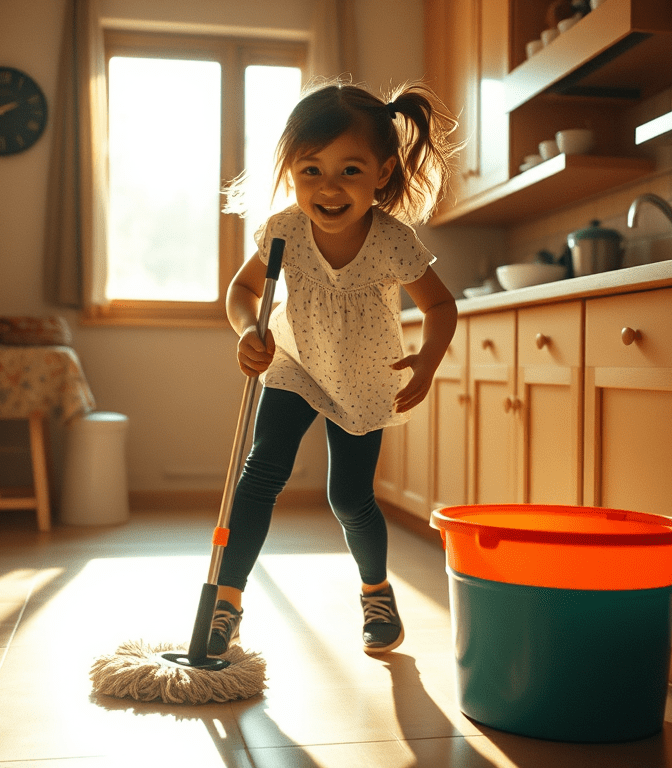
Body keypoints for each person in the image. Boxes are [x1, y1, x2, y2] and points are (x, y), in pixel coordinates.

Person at [213, 79, 459, 656]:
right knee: (261, 473)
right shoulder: (283, 233)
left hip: (366, 379)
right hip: (294, 364)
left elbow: (441, 305)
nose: (328, 188)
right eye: (310, 170)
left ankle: (376, 592)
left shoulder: (393, 241)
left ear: (382, 172)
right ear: (290, 173)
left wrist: (427, 360)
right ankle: (227, 601)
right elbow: (242, 291)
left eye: (350, 170)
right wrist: (249, 329)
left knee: (349, 498)